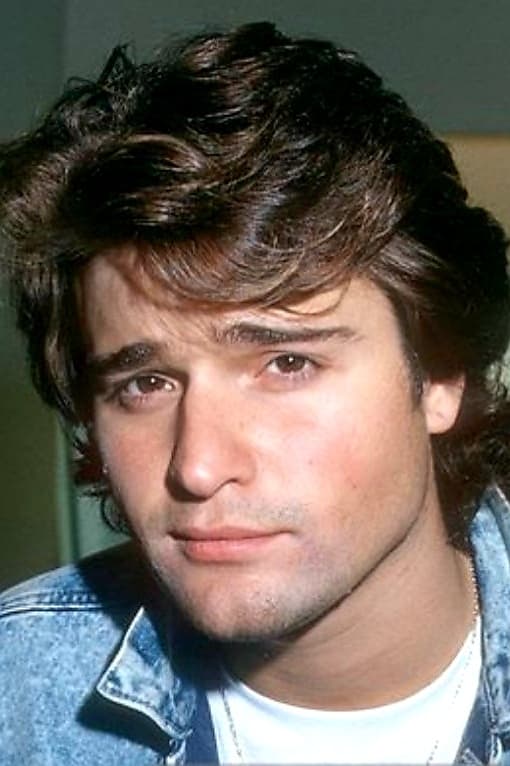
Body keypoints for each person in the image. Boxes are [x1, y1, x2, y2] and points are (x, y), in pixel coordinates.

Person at [1, 21, 510, 766]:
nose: (199, 466)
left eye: (287, 364)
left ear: (440, 377)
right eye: (145, 383)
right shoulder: (17, 695)